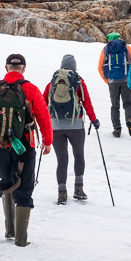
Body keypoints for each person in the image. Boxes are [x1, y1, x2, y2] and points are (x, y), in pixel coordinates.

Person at [0, 54, 53, 248]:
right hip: (25, 145)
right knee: (24, 186)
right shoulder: (30, 88)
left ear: (6, 68)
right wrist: (47, 141)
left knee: (6, 182)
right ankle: (21, 239)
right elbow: (43, 116)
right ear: (23, 68)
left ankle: (9, 230)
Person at [43, 54, 99, 204]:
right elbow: (87, 103)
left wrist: (44, 124)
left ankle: (62, 193)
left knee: (62, 160)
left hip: (56, 126)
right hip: (76, 125)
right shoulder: (78, 82)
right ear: (74, 67)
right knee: (79, 155)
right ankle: (78, 189)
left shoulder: (53, 83)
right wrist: (94, 120)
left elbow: (43, 103)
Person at [97, 32, 131, 138]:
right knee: (128, 103)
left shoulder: (105, 49)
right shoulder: (127, 48)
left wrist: (108, 80)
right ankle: (129, 119)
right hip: (126, 80)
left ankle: (117, 129)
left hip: (112, 81)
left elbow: (100, 67)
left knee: (115, 106)